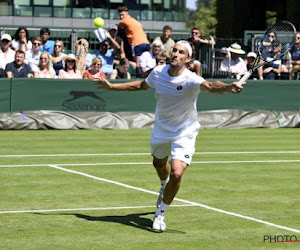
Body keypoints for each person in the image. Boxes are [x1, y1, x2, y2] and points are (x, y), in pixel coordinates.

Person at [94, 40, 244, 231]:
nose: (175, 54)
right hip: (162, 128)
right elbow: (140, 85)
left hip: (185, 131)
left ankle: (160, 214)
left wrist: (228, 87)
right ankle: (163, 185)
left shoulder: (191, 79)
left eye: (181, 52)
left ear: (188, 59)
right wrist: (112, 87)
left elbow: (212, 86)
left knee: (177, 172)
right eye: (174, 50)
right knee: (158, 163)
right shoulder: (158, 72)